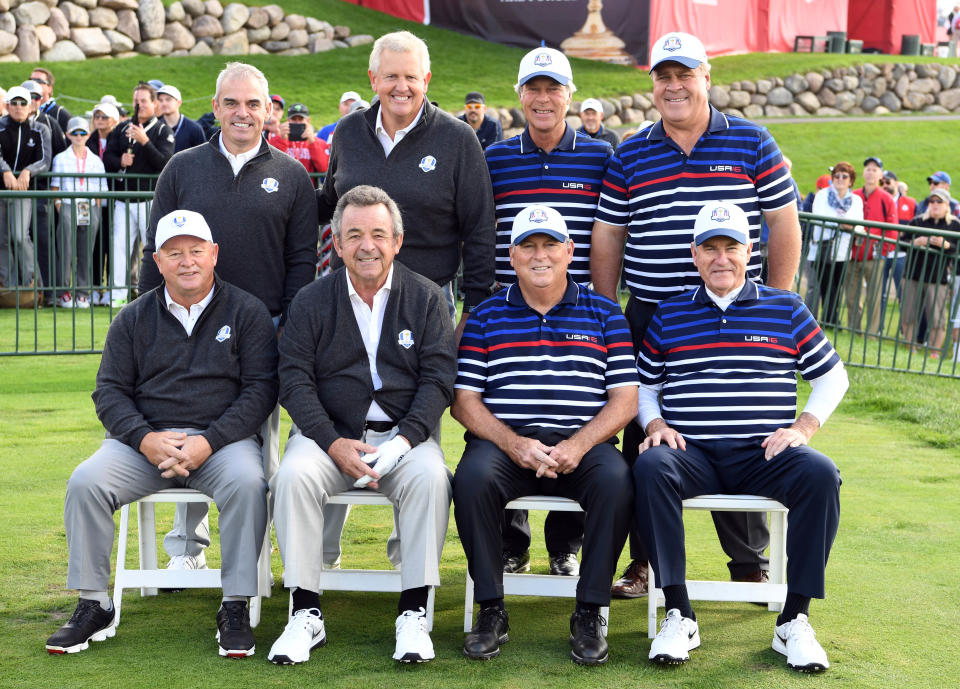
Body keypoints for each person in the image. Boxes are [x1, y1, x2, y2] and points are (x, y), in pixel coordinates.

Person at [590, 31, 801, 597]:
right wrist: (608, 313)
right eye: (664, 76)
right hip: (653, 311)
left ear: (707, 76)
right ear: (653, 83)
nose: (675, 85)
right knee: (644, 434)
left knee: (739, 424)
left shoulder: (752, 142)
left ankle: (746, 559)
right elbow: (609, 237)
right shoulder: (630, 153)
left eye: (685, 74)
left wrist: (773, 307)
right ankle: (646, 560)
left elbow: (783, 223)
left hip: (735, 312)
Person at [44, 209, 278, 657]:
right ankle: (94, 603)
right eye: (174, 253)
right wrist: (144, 439)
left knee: (249, 484)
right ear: (157, 260)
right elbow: (109, 392)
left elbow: (260, 391)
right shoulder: (132, 318)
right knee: (86, 482)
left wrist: (209, 440)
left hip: (220, 443)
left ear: (214, 254)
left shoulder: (246, 311)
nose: (186, 261)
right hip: (145, 444)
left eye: (195, 251)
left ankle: (234, 603)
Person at [635, 200, 847, 672]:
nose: (720, 258)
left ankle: (794, 620)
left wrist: (802, 427)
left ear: (750, 250)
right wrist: (655, 425)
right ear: (694, 254)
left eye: (731, 247)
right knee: (649, 465)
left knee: (820, 474)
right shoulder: (670, 314)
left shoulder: (786, 307)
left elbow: (833, 377)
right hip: (693, 454)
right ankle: (679, 612)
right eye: (709, 248)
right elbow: (646, 386)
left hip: (762, 455)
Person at [139, 62, 319, 578]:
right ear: (215, 108)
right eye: (232, 103)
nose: (243, 113)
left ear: (269, 111)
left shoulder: (291, 177)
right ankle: (186, 549)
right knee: (184, 427)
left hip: (264, 331)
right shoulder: (182, 167)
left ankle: (254, 563)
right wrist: (151, 323)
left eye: (253, 104)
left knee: (258, 448)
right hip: (186, 327)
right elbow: (157, 251)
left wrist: (292, 330)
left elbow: (300, 263)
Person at [268, 185, 455, 665]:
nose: (366, 245)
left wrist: (402, 442)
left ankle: (413, 611)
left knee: (432, 478)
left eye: (378, 233)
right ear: (337, 242)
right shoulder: (311, 301)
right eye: (353, 235)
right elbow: (293, 381)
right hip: (328, 434)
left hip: (405, 436)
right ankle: (304, 611)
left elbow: (438, 381)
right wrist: (332, 443)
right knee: (292, 476)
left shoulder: (428, 298)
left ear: (397, 240)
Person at [453, 204, 637, 665]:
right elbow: (464, 401)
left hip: (584, 444)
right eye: (528, 246)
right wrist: (513, 443)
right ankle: (491, 608)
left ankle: (590, 609)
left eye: (550, 245)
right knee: (471, 479)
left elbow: (625, 400)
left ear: (569, 251)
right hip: (505, 445)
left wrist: (578, 444)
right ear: (511, 256)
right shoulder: (485, 316)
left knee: (617, 483)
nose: (540, 256)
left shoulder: (605, 313)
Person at [484, 46, 615, 577]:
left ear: (569, 95)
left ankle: (566, 544)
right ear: (520, 95)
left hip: (578, 310)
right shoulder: (494, 158)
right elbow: (480, 232)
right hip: (509, 307)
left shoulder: (601, 155)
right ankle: (512, 545)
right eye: (533, 89)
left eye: (553, 88)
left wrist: (603, 304)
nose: (543, 99)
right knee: (510, 412)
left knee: (575, 418)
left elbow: (609, 235)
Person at [317, 30, 495, 333]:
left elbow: (479, 226)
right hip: (349, 300)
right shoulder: (348, 132)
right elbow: (332, 202)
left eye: (411, 77)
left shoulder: (458, 139)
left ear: (426, 80)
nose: (402, 87)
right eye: (391, 77)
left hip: (426, 305)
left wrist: (474, 311)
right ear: (373, 80)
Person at [102, 81, 175, 307]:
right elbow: (107, 158)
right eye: (136, 101)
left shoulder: (163, 131)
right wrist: (119, 161)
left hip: (149, 201)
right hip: (124, 200)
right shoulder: (121, 129)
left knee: (152, 249)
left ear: (154, 104)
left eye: (143, 101)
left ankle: (154, 294)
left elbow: (165, 163)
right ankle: (117, 294)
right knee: (119, 248)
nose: (139, 105)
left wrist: (145, 142)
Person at [50, 116, 107, 309]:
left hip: (89, 205)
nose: (79, 136)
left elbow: (101, 188)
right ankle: (64, 292)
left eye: (83, 132)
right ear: (68, 135)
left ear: (88, 134)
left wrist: (96, 207)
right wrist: (59, 205)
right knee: (65, 249)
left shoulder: (95, 160)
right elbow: (55, 187)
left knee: (86, 250)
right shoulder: (61, 158)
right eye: (75, 132)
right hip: (67, 204)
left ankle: (83, 292)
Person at [0, 85, 50, 291]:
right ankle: (7, 286)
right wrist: (5, 171)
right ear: (7, 106)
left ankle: (32, 283)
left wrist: (28, 171)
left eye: (23, 103)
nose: (19, 107)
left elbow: (45, 160)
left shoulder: (40, 129)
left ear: (30, 106)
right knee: (2, 239)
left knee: (20, 236)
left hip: (23, 190)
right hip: (2, 189)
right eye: (14, 103)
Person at [900, 188, 959, 356]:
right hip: (912, 274)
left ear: (947, 205)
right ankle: (911, 349)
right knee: (908, 314)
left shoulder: (954, 225)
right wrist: (916, 241)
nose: (934, 205)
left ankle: (934, 353)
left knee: (937, 318)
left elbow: (957, 249)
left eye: (939, 201)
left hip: (938, 278)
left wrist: (946, 245)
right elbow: (901, 243)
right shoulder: (917, 221)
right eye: (931, 201)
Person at [805, 161, 862, 324]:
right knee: (822, 285)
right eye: (837, 176)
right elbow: (821, 217)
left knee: (836, 287)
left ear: (851, 181)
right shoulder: (823, 195)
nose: (840, 179)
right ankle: (822, 321)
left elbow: (859, 224)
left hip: (842, 250)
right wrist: (844, 223)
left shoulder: (856, 200)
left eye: (845, 176)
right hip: (822, 249)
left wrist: (846, 224)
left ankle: (831, 319)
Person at [847, 156, 897, 335]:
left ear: (881, 174)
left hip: (875, 256)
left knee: (874, 298)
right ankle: (854, 331)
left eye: (875, 169)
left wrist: (882, 251)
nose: (870, 172)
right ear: (863, 172)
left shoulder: (887, 199)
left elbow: (893, 230)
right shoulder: (853, 196)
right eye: (868, 168)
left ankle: (872, 335)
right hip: (853, 254)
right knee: (852, 297)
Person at [87, 102, 121, 305]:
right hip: (95, 199)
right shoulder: (88, 139)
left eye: (104, 117)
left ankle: (112, 288)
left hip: (115, 197)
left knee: (113, 242)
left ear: (114, 121)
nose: (100, 120)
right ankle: (95, 286)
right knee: (96, 243)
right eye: (97, 116)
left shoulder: (119, 140)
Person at [269, 102, 329, 179]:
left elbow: (323, 168)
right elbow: (272, 166)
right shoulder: (277, 139)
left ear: (308, 120)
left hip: (308, 187)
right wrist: (282, 139)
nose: (297, 122)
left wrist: (312, 142)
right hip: (284, 186)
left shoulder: (319, 142)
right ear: (288, 120)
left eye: (301, 119)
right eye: (294, 119)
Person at [156, 84, 207, 152]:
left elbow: (204, 156)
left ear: (179, 103)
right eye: (160, 100)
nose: (163, 103)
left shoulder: (194, 129)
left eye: (168, 100)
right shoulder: (156, 128)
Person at [31, 67, 72, 133]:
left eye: (38, 81)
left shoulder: (61, 114)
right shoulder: (22, 110)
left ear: (49, 88)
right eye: (30, 80)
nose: (32, 84)